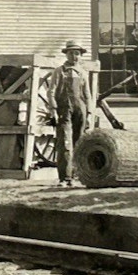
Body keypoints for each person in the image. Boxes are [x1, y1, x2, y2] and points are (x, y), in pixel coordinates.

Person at [52, 40, 94, 188]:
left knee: (79, 143)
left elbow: (87, 94)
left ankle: (77, 176)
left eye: (77, 53)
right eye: (71, 53)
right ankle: (64, 178)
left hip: (80, 110)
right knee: (65, 143)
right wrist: (53, 110)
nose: (74, 56)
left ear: (80, 55)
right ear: (66, 54)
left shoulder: (83, 73)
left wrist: (89, 111)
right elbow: (51, 93)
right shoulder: (59, 71)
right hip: (64, 110)